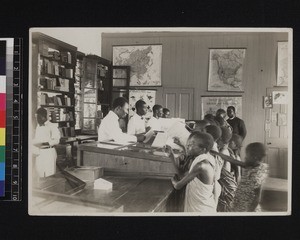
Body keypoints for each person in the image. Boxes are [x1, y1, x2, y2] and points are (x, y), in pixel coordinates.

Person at [171, 131, 217, 212]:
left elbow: (178, 186)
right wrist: (171, 156)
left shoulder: (200, 165)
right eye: (188, 143)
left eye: (191, 144)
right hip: (201, 205)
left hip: (201, 208)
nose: (187, 146)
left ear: (203, 149)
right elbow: (183, 176)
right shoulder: (203, 160)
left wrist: (173, 180)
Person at [231, 142, 269, 212]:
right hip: (241, 201)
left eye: (247, 156)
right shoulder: (252, 164)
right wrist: (218, 154)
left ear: (254, 157)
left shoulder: (257, 174)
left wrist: (250, 212)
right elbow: (234, 161)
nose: (245, 157)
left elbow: (257, 197)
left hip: (247, 206)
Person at [32, 107, 60, 178]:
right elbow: (37, 139)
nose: (36, 119)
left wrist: (44, 144)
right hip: (39, 153)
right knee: (39, 173)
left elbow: (56, 140)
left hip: (49, 152)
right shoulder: (38, 126)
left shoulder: (52, 126)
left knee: (49, 174)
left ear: (43, 117)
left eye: (37, 117)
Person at [216, 127, 238, 212]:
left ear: (219, 139)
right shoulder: (226, 149)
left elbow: (217, 174)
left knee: (225, 208)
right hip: (228, 185)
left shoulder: (222, 152)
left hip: (226, 186)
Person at [204, 125, 223, 205]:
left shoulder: (211, 151)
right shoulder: (214, 147)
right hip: (214, 185)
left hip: (212, 187)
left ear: (209, 136)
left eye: (203, 132)